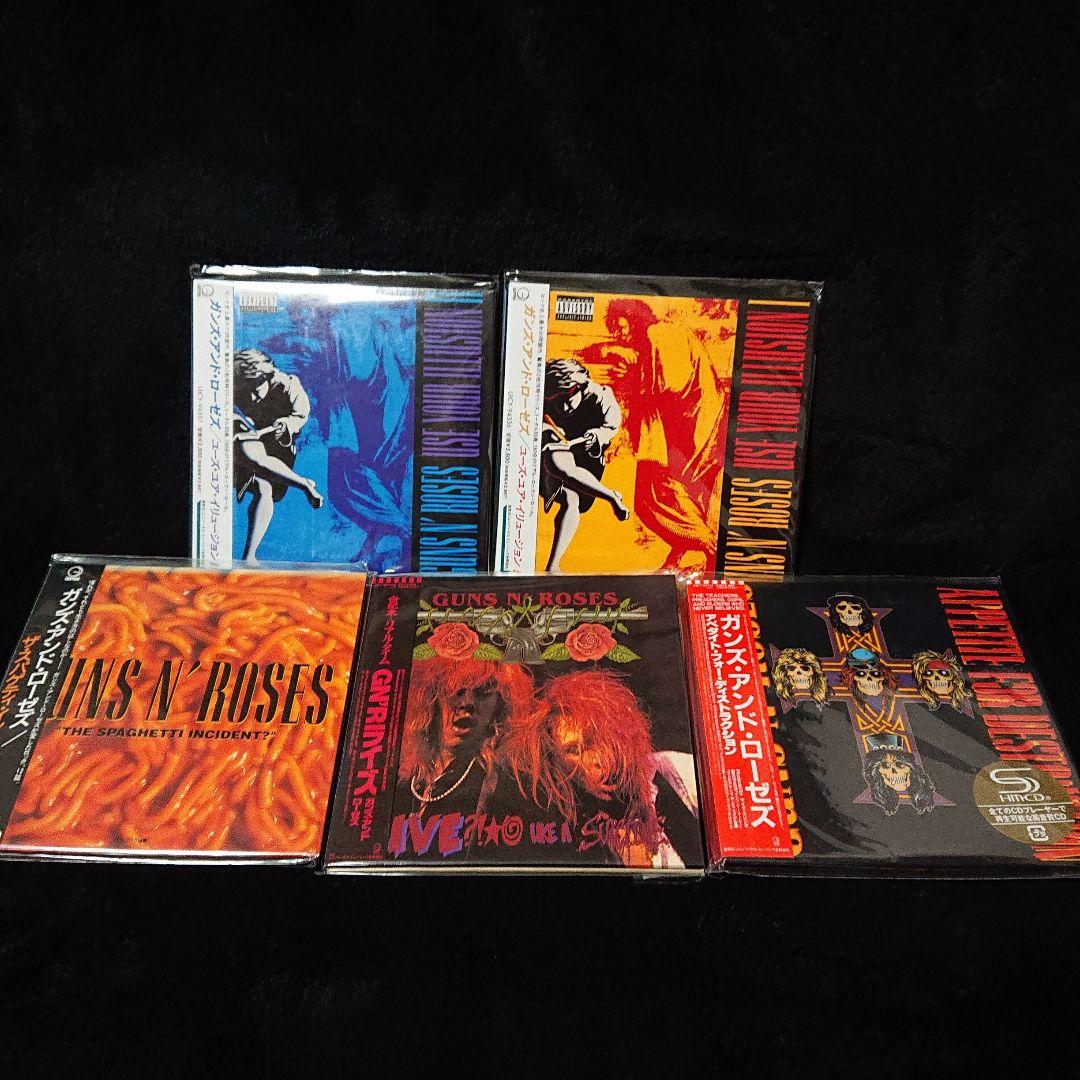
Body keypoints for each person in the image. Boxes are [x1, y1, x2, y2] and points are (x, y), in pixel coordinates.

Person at [503, 670, 700, 868]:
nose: (597, 758)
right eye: (575, 750)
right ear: (555, 763)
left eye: (602, 739)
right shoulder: (565, 833)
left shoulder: (673, 770)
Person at [394, 658, 534, 852]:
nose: (468, 703)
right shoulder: (401, 778)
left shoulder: (506, 788)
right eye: (456, 689)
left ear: (499, 708)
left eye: (483, 691)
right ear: (431, 698)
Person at [232, 348, 323, 562]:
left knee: (265, 487)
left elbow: (300, 415)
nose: (251, 398)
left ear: (267, 376)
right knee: (255, 459)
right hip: (245, 441)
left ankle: (249, 558)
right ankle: (302, 483)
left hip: (277, 448)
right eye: (246, 391)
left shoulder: (288, 385)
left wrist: (285, 425)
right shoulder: (236, 386)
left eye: (255, 389)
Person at [540, 358, 630, 572]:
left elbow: (611, 426)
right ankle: (610, 496)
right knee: (558, 464)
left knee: (573, 500)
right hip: (555, 453)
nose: (563, 408)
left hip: (588, 460)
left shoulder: (602, 397)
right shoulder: (543, 399)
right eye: (557, 402)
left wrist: (597, 435)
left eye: (567, 400)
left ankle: (553, 567)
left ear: (580, 387)